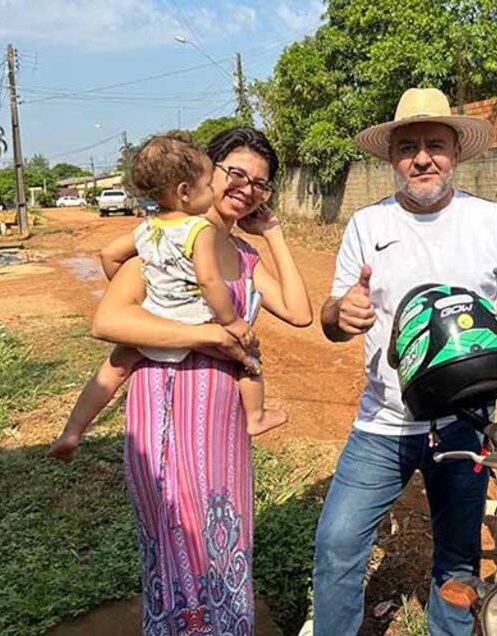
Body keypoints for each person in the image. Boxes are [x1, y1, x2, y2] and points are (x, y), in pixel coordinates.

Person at [310, 87, 497, 636]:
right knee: (337, 544)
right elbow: (330, 314)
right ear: (393, 157)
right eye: (409, 147)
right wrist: (339, 314)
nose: (423, 158)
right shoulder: (366, 227)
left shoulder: (490, 221)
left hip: (467, 423)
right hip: (382, 424)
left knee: (459, 558)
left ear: (456, 153)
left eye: (435, 145)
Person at [89, 127, 313, 632]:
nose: (247, 188)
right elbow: (108, 321)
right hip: (166, 406)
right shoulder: (165, 243)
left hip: (224, 423)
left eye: (261, 183)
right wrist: (208, 332)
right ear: (205, 174)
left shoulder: (244, 257)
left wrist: (272, 232)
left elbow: (300, 313)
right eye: (235, 173)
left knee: (223, 531)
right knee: (177, 535)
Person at [48, 132, 288, 462]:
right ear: (185, 192)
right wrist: (229, 322)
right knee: (247, 360)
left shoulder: (148, 228)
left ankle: (73, 430)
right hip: (194, 318)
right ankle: (257, 415)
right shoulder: (198, 230)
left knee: (113, 369)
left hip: (156, 315)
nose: (213, 193)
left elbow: (108, 256)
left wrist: (148, 286)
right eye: (209, 185)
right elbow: (207, 280)